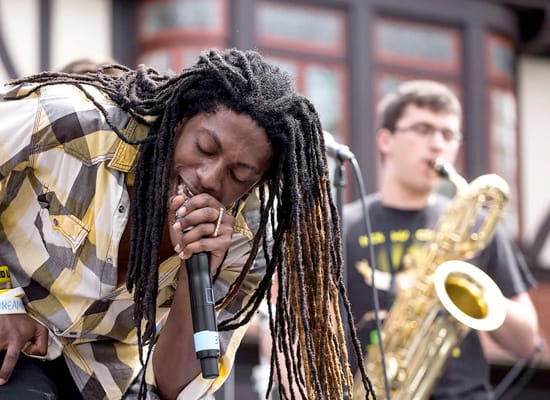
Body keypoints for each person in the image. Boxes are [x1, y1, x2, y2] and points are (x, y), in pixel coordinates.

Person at [0, 48, 373, 400]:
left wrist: (199, 275)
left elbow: (175, 388)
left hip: (94, 378)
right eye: (205, 148)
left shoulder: (247, 241)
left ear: (257, 182)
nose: (211, 177)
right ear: (179, 121)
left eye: (239, 173)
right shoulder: (74, 121)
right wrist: (4, 298)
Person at [343, 80, 542, 399]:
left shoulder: (475, 225)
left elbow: (526, 341)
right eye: (423, 129)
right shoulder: (343, 225)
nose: (437, 144)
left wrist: (472, 287)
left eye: (448, 134)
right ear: (386, 140)